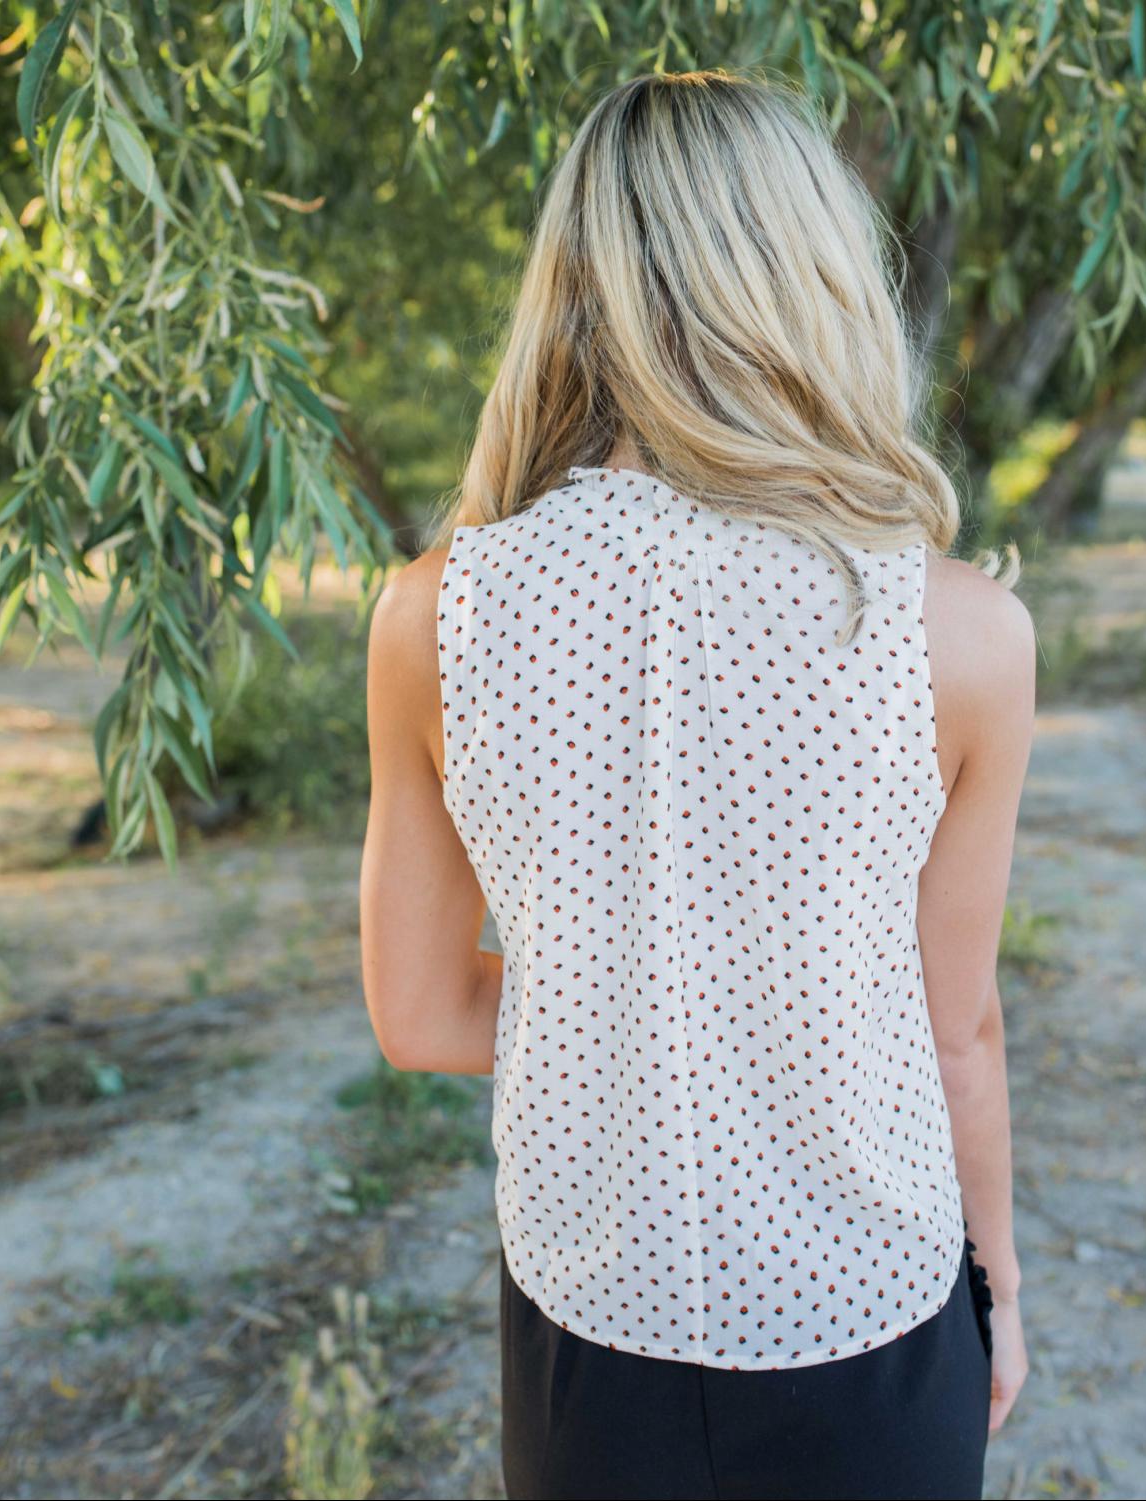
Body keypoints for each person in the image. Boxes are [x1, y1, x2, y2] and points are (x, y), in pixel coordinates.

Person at [360, 67, 1033, 1501]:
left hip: (590, 1332)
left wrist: (641, 1019)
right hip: (873, 1321)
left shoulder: (435, 616)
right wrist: (1001, 1280)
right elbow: (956, 1029)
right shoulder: (960, 632)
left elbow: (417, 1015)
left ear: (570, 285)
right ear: (818, 277)